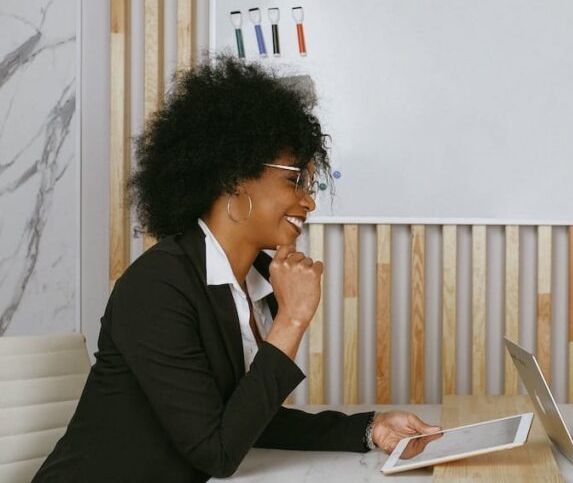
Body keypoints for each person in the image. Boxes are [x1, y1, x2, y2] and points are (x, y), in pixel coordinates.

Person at [35, 56, 438, 482]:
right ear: (234, 177)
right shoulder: (158, 287)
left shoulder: (252, 281)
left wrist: (369, 429)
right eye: (294, 179)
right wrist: (293, 319)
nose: (309, 201)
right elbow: (218, 451)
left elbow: (242, 420)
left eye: (310, 184)